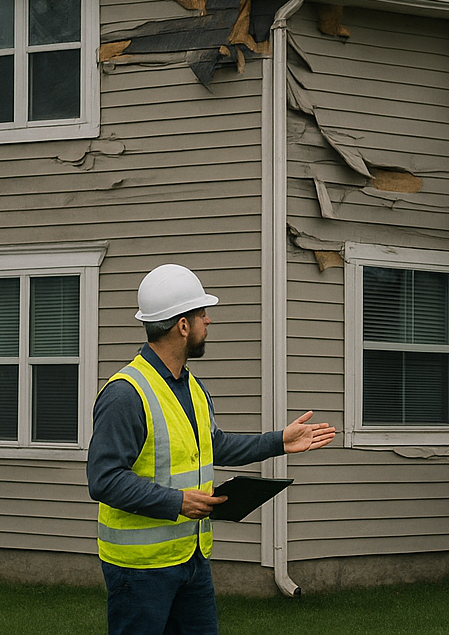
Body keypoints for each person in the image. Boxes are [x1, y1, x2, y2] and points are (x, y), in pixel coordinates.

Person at [87, 263, 336, 635]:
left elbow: (214, 445)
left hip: (192, 558)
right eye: (202, 313)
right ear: (182, 326)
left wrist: (279, 441)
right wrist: (177, 502)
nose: (209, 321)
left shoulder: (191, 386)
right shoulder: (126, 394)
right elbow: (103, 480)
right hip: (140, 571)